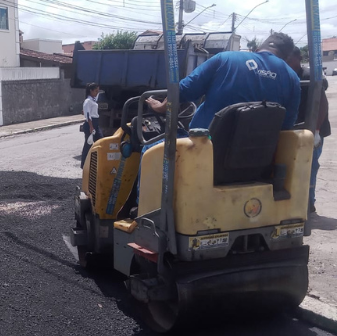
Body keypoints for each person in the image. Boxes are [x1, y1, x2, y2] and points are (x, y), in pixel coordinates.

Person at [136, 33, 302, 204]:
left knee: (150, 149)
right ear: (286, 57)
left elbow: (182, 92)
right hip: (257, 165)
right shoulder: (292, 79)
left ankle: (146, 211)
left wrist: (160, 107)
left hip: (205, 155)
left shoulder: (225, 59)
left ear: (258, 48)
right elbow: (286, 128)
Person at [287, 47, 330, 214]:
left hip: (313, 131)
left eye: (289, 58)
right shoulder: (289, 75)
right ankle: (298, 202)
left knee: (310, 166)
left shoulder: (308, 76)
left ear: (298, 58)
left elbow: (322, 104)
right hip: (297, 131)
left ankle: (308, 204)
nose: (286, 62)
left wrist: (316, 131)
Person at [80, 83, 103, 169]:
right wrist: (91, 126)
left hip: (95, 123)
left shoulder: (93, 100)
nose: (97, 92)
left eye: (98, 91)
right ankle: (84, 165)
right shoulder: (88, 101)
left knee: (101, 141)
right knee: (88, 144)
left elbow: (87, 111)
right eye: (96, 91)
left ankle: (98, 161)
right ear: (91, 91)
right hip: (91, 123)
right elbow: (88, 115)